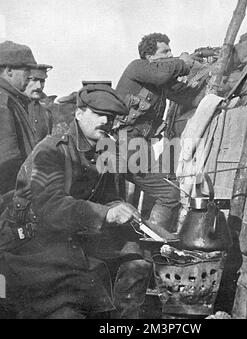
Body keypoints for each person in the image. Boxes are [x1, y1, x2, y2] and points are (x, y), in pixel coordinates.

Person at [0, 84, 152, 319]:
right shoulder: (51, 150)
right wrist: (105, 214)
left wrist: (117, 205)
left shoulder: (103, 151)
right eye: (98, 114)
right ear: (79, 114)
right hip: (32, 242)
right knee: (71, 305)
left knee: (137, 264)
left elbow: (106, 196)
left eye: (110, 117)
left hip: (75, 235)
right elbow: (50, 206)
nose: (105, 121)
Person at [116, 32, 201, 231]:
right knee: (169, 194)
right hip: (123, 142)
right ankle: (152, 243)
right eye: (165, 51)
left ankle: (142, 239)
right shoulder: (137, 67)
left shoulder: (159, 82)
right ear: (150, 56)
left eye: (171, 50)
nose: (170, 54)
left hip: (137, 145)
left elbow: (186, 96)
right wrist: (183, 62)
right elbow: (161, 73)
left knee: (157, 189)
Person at [0, 40, 51, 196]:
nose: (30, 76)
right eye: (26, 70)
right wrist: (16, 199)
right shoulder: (4, 102)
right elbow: (8, 160)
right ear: (9, 71)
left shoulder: (13, 100)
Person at [24, 65, 53, 143]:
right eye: (34, 80)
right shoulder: (9, 107)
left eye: (42, 81)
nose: (39, 86)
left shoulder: (46, 113)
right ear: (23, 80)